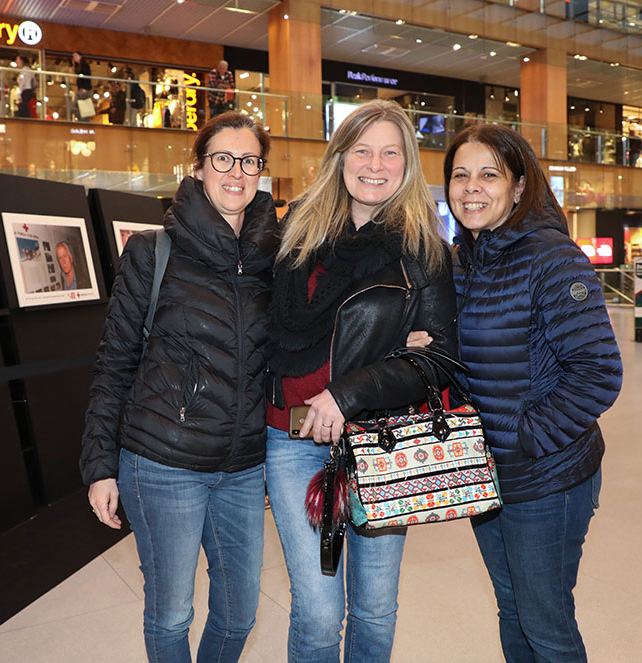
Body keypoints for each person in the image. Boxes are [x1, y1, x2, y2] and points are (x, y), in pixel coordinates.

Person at [264, 99, 459, 662]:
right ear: (340, 156)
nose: (375, 164)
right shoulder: (296, 230)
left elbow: (442, 359)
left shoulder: (424, 251)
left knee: (373, 609)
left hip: (382, 440)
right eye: (362, 149)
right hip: (292, 440)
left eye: (390, 152)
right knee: (319, 612)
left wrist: (346, 394)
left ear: (407, 164)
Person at [80, 112, 277, 663]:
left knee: (239, 613)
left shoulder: (274, 259)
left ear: (262, 172)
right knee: (171, 614)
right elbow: (115, 362)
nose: (236, 172)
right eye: (223, 158)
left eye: (250, 161)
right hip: (162, 464)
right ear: (197, 168)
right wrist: (99, 465)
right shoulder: (153, 250)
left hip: (243, 466)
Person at [443, 123, 622, 662]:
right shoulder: (462, 262)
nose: (472, 187)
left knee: (545, 623)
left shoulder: (551, 257)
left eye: (489, 175)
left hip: (547, 477)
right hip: (486, 476)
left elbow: (598, 371)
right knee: (511, 607)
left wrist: (525, 437)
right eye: (460, 175)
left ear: (519, 187)